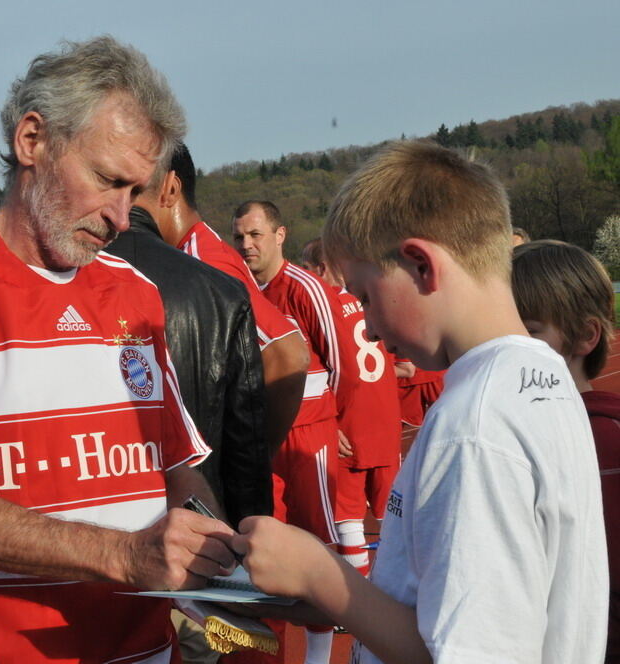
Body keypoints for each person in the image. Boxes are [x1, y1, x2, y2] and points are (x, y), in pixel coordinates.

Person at [0, 36, 237, 664]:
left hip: (143, 648)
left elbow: (180, 469)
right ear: (32, 140)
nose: (121, 216)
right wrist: (127, 556)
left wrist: (220, 560)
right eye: (106, 180)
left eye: (134, 191)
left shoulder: (137, 292)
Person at [232, 141, 608, 664]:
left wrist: (320, 573)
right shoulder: (542, 374)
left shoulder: (474, 424)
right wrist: (333, 598)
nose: (367, 326)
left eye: (366, 296)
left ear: (421, 265)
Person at [109, 204, 273, 664]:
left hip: (103, 542)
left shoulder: (68, 285)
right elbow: (247, 431)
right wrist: (249, 536)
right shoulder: (217, 284)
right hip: (199, 530)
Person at [233, 201, 367, 664]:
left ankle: (322, 654)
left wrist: (338, 420)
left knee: (319, 541)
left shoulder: (306, 287)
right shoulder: (236, 287)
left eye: (255, 235)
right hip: (261, 435)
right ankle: (259, 649)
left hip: (310, 434)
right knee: (261, 538)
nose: (246, 245)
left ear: (280, 235)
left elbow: (342, 361)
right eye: (239, 237)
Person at [136, 143, 310, 458]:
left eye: (134, 190)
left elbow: (288, 353)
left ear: (170, 189)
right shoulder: (198, 249)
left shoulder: (200, 262)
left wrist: (254, 460)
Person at [511, 239, 619, 663]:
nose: (510, 347)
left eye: (530, 331)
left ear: (586, 336)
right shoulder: (494, 434)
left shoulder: (607, 439)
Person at [299, 237, 402, 577]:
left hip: (349, 419)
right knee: (392, 512)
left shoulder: (322, 304)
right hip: (387, 418)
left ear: (321, 269)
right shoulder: (370, 298)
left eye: (307, 269)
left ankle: (358, 594)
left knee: (348, 517)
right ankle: (394, 586)